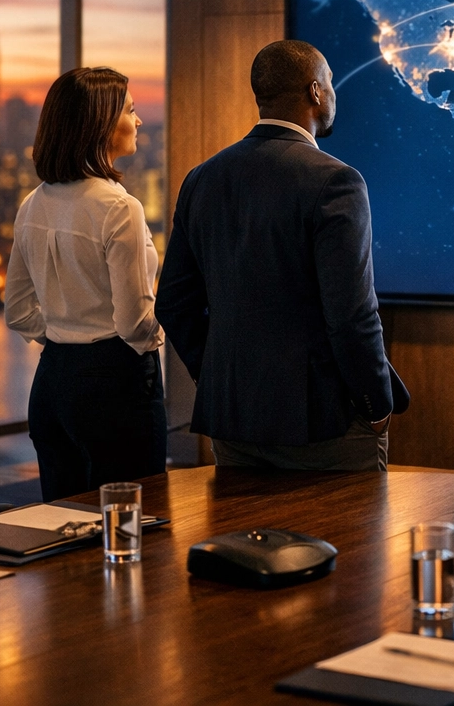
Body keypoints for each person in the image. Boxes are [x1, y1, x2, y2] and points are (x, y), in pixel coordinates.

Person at [155, 39, 409, 470]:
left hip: (233, 421)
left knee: (236, 538)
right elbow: (351, 315)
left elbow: (174, 303)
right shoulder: (336, 181)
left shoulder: (201, 178)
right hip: (325, 424)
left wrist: (218, 376)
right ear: (314, 91)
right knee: (343, 540)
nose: (333, 94)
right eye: (329, 83)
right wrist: (376, 405)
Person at [4, 67, 166, 501]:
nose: (139, 121)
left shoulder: (31, 205)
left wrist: (63, 336)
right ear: (100, 125)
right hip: (116, 384)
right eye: (131, 111)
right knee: (133, 522)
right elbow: (134, 325)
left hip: (53, 384)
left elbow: (17, 311)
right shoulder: (119, 207)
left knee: (65, 532)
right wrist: (159, 333)